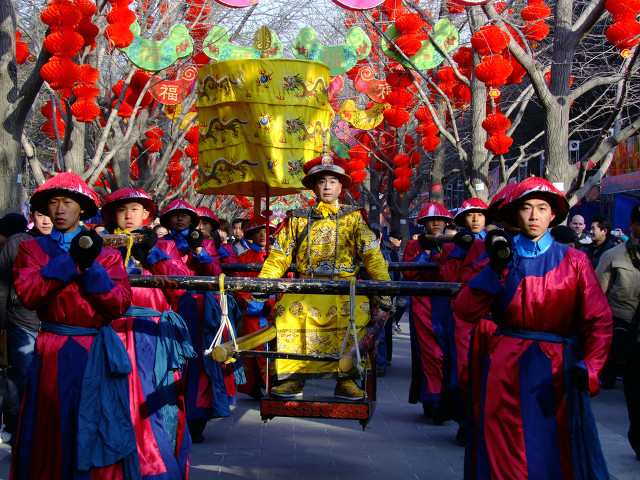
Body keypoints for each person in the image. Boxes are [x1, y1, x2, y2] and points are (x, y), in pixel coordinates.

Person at [455, 177, 612, 479]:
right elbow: (464, 309)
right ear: (515, 214)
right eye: (526, 208)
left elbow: (599, 321)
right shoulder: (496, 256)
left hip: (556, 373)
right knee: (503, 451)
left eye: (542, 208)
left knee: (554, 451)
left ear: (553, 214)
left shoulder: (576, 261)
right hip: (504, 368)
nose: (533, 215)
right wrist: (494, 271)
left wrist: (590, 366)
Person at [10, 172, 136, 478]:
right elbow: (28, 294)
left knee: (95, 420)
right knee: (51, 420)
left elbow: (119, 303)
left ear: (81, 208)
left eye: (68, 202)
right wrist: (71, 262)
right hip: (51, 348)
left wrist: (90, 266)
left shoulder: (106, 255)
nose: (59, 209)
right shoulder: (32, 249)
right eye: (53, 202)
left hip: (93, 348)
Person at [255, 151, 391, 399]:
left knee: (356, 314)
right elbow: (279, 255)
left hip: (344, 290)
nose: (327, 186)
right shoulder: (297, 218)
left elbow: (372, 255)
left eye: (333, 181)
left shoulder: (353, 218)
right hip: (305, 289)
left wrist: (384, 288)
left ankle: (346, 379)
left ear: (341, 186)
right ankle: (293, 377)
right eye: (321, 181)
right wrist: (264, 282)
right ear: (313, 187)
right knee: (286, 314)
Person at [101, 188, 195, 478]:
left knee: (157, 404)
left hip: (154, 337)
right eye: (122, 210)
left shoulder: (165, 246)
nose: (129, 215)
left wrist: (153, 254)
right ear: (112, 215)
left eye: (135, 209)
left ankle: (157, 467)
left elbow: (182, 285)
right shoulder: (101, 246)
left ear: (147, 215)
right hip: (112, 335)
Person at [156, 199, 233, 443]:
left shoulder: (207, 242)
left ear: (192, 219)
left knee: (200, 361)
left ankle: (197, 415)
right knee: (172, 360)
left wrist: (200, 251)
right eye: (175, 215)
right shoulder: (161, 243)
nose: (180, 219)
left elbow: (215, 273)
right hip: (171, 306)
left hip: (200, 309)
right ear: (168, 220)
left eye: (184, 215)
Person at [439, 198, 489, 444]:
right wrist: (459, 252)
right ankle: (465, 421)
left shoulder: (499, 243)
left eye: (480, 214)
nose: (476, 219)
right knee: (462, 368)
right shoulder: (452, 247)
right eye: (471, 215)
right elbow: (449, 278)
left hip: (492, 318)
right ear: (462, 220)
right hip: (461, 315)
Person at [0, 208, 51, 444]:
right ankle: (24, 436)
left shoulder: (69, 243)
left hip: (54, 324)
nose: (47, 220)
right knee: (24, 378)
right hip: (22, 320)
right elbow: (2, 286)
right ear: (32, 218)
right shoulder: (16, 244)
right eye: (41, 215)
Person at [596, 204, 640, 459]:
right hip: (627, 338)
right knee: (635, 397)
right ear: (633, 225)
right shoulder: (613, 256)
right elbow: (597, 300)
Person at [402, 201, 453, 421]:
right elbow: (410, 274)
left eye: (439, 219)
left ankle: (449, 399)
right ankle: (432, 399)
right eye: (431, 220)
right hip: (423, 304)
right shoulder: (414, 246)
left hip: (448, 304)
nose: (435, 223)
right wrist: (427, 252)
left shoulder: (453, 244)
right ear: (423, 223)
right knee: (430, 353)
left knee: (448, 351)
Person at [234, 215, 272, 399]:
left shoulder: (276, 256)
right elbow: (238, 287)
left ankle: (275, 384)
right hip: (253, 313)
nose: (263, 235)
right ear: (251, 234)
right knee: (252, 348)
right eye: (259, 231)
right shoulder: (243, 258)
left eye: (266, 231)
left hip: (274, 311)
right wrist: (256, 305)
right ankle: (255, 387)